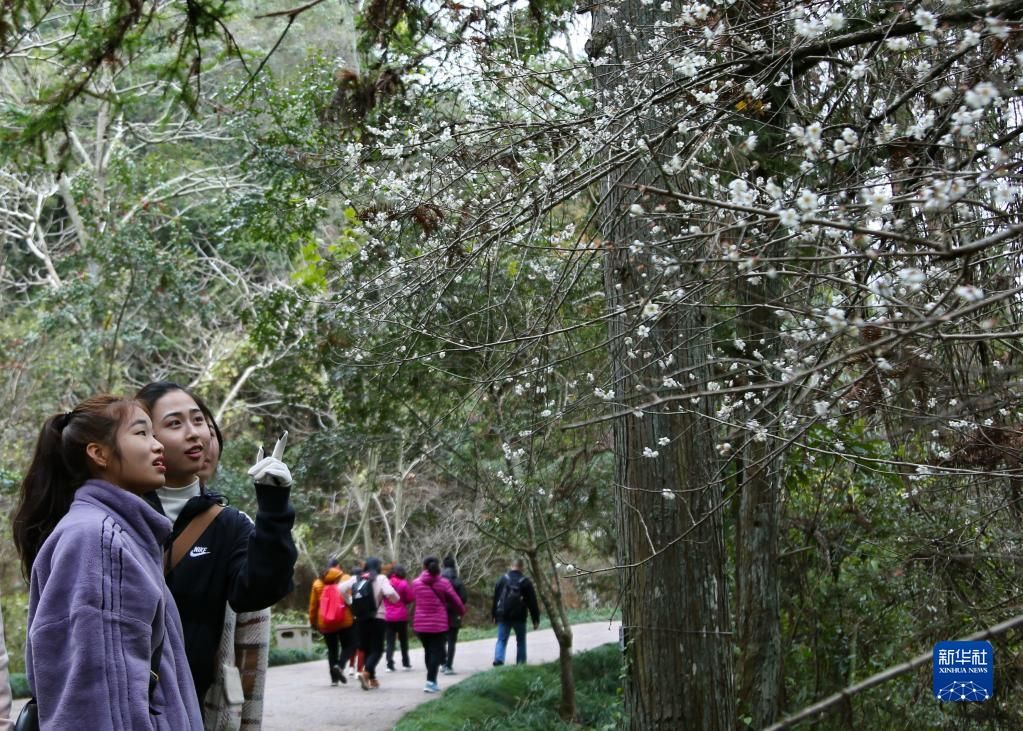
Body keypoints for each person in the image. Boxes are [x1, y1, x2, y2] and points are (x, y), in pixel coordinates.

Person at [12, 395, 203, 728]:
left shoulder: (119, 535)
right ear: (98, 453)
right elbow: (98, 699)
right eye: (141, 433)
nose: (157, 446)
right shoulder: (98, 539)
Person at [136, 381, 298, 713]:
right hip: (116, 699)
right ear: (146, 437)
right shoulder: (119, 511)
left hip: (186, 703)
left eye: (198, 420)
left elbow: (257, 590)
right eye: (175, 423)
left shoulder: (228, 525)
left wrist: (274, 506)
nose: (195, 433)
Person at [339, 556, 399, 690]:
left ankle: (372, 679)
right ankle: (366, 672)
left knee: (366, 649)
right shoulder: (381, 578)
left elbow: (340, 588)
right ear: (378, 567)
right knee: (377, 650)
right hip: (378, 618)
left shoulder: (357, 578)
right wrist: (395, 599)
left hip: (361, 618)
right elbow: (390, 592)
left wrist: (350, 601)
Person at [412, 556, 465, 693]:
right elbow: (456, 600)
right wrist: (461, 611)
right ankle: (430, 681)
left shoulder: (416, 583)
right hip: (438, 624)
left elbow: (414, 599)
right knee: (436, 651)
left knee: (429, 650)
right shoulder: (443, 583)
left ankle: (430, 679)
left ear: (424, 567)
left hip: (420, 624)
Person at [491, 558, 541, 666]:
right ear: (522, 567)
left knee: (501, 640)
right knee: (521, 641)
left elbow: (496, 598)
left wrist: (494, 615)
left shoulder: (502, 579)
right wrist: (535, 619)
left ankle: (499, 659)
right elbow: (532, 602)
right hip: (520, 616)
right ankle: (521, 664)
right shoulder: (525, 582)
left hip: (503, 616)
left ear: (511, 566)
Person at [440, 555, 468, 675]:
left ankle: (442, 662)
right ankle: (449, 666)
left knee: (441, 639)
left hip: (440, 613)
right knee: (451, 640)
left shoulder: (438, 581)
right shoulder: (457, 581)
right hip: (454, 614)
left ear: (443, 566)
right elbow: (463, 598)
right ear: (454, 566)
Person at [384, 564, 413, 672]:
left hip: (388, 616)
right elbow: (410, 598)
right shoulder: (404, 584)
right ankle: (406, 663)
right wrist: (403, 601)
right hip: (401, 616)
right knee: (403, 640)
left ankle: (389, 664)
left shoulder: (386, 583)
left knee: (390, 641)